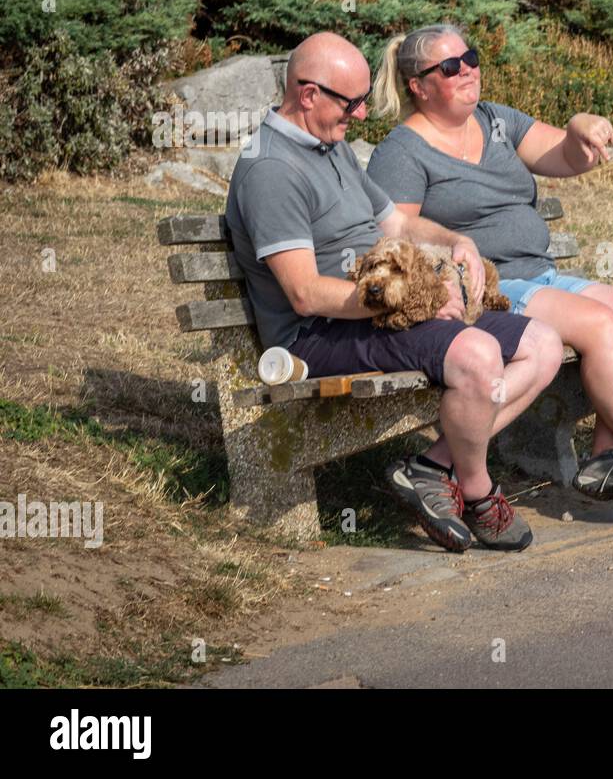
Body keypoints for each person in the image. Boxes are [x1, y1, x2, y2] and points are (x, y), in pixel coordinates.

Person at [225, 32, 565, 553]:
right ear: (308, 94)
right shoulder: (273, 170)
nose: (360, 116)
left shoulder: (329, 146)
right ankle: (476, 489)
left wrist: (457, 242)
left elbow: (397, 226)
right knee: (476, 355)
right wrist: (416, 301)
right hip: (319, 334)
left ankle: (430, 468)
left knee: (540, 344)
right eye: (351, 103)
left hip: (380, 313)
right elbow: (304, 294)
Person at [365, 23, 613, 510]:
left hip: (539, 274)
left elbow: (567, 157)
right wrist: (454, 243)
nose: (469, 69)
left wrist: (579, 127)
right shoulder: (402, 151)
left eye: (470, 57)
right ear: (419, 86)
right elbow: (396, 231)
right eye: (451, 67)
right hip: (486, 288)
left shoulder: (494, 121)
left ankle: (605, 459)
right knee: (600, 325)